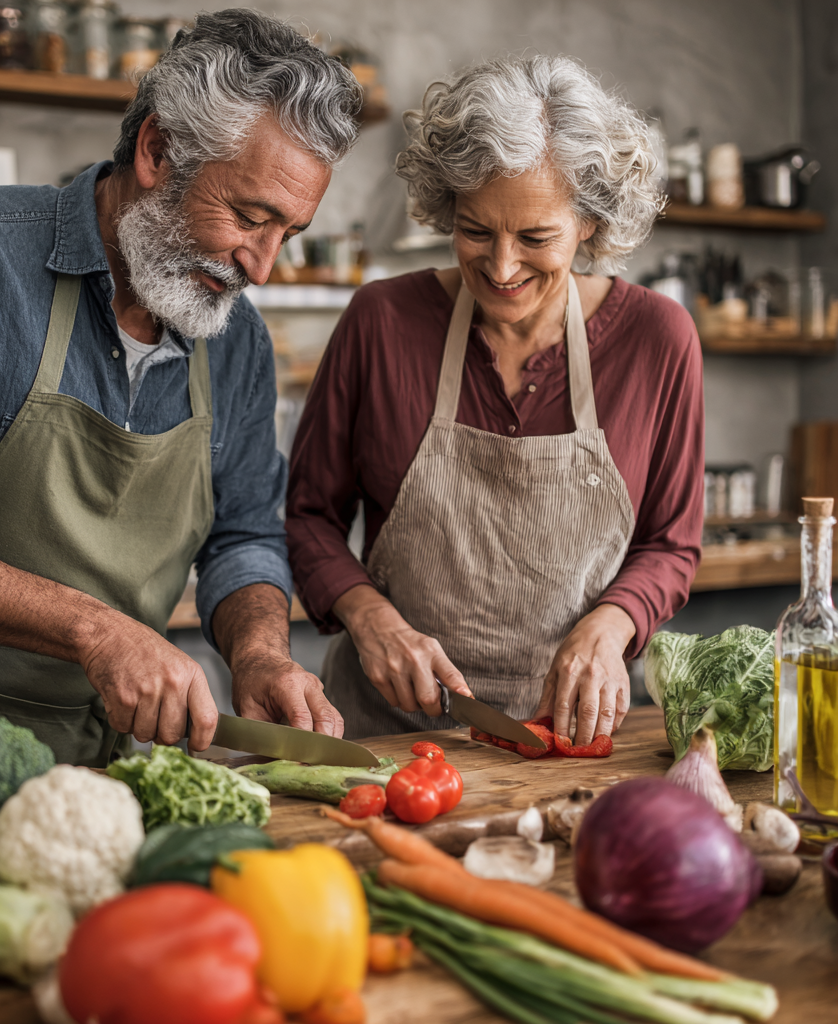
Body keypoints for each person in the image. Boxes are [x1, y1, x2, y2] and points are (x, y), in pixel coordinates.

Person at [0, 9, 362, 789]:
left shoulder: (236, 339)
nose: (263, 267)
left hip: (105, 778)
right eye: (249, 218)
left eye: (289, 233)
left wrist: (259, 653)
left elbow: (242, 534)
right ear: (158, 150)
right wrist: (93, 629)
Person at [287, 55, 704, 744]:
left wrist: (613, 624)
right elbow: (308, 517)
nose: (502, 266)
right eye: (476, 231)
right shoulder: (381, 321)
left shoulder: (658, 338)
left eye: (536, 237)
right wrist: (369, 617)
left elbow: (672, 543)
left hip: (570, 737)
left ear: (590, 223)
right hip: (388, 737)